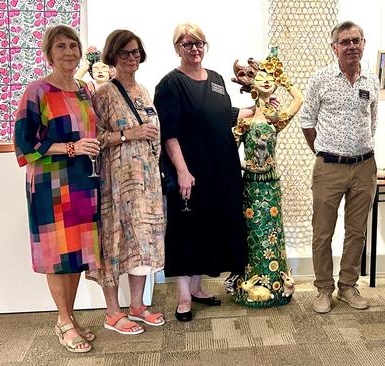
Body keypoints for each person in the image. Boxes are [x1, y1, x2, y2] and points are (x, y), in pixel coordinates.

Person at [154, 22, 251, 321]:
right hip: (190, 171)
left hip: (221, 169)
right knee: (186, 230)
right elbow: (168, 133)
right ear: (177, 48)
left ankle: (197, 287)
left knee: (210, 227)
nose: (194, 49)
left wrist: (258, 108)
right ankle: (183, 296)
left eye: (199, 43)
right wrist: (182, 171)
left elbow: (224, 115)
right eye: (187, 44)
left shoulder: (218, 79)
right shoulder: (170, 84)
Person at [13, 25, 100, 353]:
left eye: (72, 46)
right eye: (60, 46)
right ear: (49, 54)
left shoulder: (84, 89)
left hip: (81, 182)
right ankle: (63, 320)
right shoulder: (37, 91)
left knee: (75, 252)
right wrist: (71, 148)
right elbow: (24, 141)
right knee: (56, 252)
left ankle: (70, 316)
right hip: (50, 183)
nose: (68, 52)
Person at [86, 30, 165, 334]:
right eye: (125, 53)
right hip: (116, 183)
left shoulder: (143, 91)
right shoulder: (104, 93)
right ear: (112, 56)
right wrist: (127, 135)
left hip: (146, 182)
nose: (132, 58)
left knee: (142, 241)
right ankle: (112, 312)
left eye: (135, 52)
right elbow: (94, 137)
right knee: (115, 240)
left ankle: (137, 305)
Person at [300, 21, 379, 314]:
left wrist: (364, 153)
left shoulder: (371, 79)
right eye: (344, 42)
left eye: (356, 40)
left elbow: (372, 121)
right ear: (334, 47)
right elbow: (307, 120)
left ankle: (348, 286)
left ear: (363, 43)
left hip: (364, 166)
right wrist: (322, 152)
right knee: (323, 232)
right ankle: (323, 289)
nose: (351, 46)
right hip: (329, 167)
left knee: (356, 231)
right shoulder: (321, 79)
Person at [230, 48, 304, 307]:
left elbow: (299, 99)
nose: (266, 80)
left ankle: (275, 283)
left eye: (270, 78)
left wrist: (284, 79)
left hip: (271, 185)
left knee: (272, 231)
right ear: (251, 83)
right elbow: (228, 147)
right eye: (260, 76)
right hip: (250, 184)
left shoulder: (276, 119)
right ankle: (251, 281)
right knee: (253, 232)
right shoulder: (245, 119)